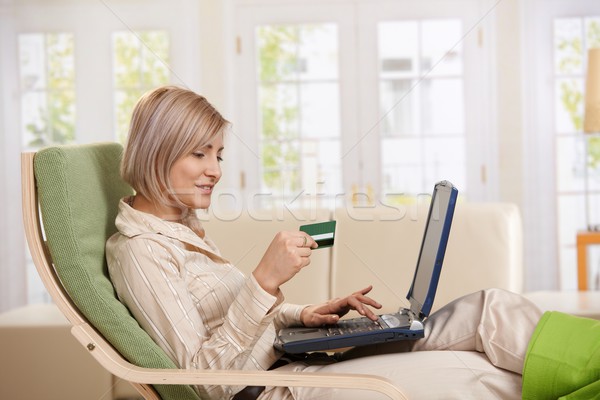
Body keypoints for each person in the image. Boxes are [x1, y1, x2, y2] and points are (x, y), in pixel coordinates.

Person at [105, 86, 597, 400]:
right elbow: (204, 384)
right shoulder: (142, 251)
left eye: (218, 154)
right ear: (160, 151)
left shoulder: (181, 226)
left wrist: (305, 314)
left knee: (489, 309)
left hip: (290, 357)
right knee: (483, 374)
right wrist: (262, 281)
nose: (215, 169)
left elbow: (232, 321)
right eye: (199, 154)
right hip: (275, 388)